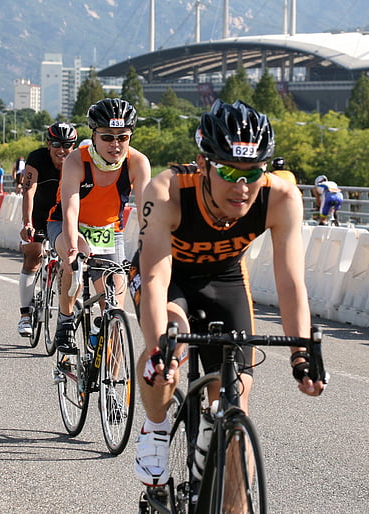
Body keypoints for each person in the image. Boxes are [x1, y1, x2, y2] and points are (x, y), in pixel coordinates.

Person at [130, 99, 326, 489]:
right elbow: (154, 277)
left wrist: (302, 354)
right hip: (172, 278)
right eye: (227, 171)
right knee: (171, 344)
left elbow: (290, 283)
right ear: (203, 165)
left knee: (235, 395)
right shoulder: (166, 190)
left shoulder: (282, 198)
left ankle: (232, 487)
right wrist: (158, 349)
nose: (242, 186)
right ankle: (155, 429)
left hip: (226, 279)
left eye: (253, 172)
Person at [47, 99, 151, 351]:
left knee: (114, 309)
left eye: (122, 137)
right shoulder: (76, 160)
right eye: (107, 137)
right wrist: (73, 248)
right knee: (74, 265)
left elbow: (150, 215)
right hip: (67, 225)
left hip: (108, 230)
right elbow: (70, 210)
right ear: (94, 135)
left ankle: (111, 386)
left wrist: (150, 252)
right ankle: (65, 319)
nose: (115, 144)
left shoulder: (137, 162)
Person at [16, 122, 78, 337]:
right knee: (33, 255)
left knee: (68, 259)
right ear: (47, 144)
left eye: (67, 145)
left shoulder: (78, 160)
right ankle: (25, 314)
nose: (62, 150)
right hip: (39, 214)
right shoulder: (37, 158)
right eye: (56, 145)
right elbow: (29, 190)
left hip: (63, 217)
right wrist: (27, 223)